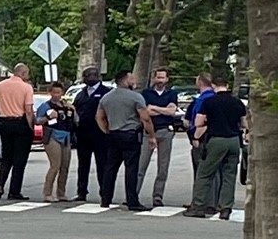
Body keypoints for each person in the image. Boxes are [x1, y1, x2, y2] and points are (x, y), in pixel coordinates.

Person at [185, 77, 246, 220]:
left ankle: (198, 206)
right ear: (227, 85)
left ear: (213, 86)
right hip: (233, 141)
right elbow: (244, 124)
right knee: (229, 175)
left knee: (205, 174)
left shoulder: (209, 101)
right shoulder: (237, 102)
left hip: (216, 139)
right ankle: (225, 208)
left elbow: (199, 122)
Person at [93, 71, 153, 211]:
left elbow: (99, 117)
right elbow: (145, 118)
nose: (134, 80)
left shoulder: (106, 98)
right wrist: (151, 135)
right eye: (132, 78)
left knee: (110, 168)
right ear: (126, 80)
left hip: (113, 134)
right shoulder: (135, 97)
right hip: (131, 134)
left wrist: (106, 130)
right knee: (131, 168)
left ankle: (105, 198)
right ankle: (132, 200)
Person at [133, 67, 184, 209]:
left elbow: (172, 111)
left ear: (167, 79)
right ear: (154, 78)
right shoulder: (146, 93)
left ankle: (157, 196)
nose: (160, 81)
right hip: (148, 132)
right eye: (158, 78)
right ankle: (133, 194)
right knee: (141, 165)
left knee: (163, 167)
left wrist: (156, 108)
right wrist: (162, 110)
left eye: (163, 78)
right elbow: (146, 112)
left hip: (165, 131)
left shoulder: (171, 93)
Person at [0, 61, 38, 200]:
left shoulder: (0, 86)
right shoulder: (26, 87)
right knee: (20, 159)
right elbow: (28, 110)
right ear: (22, 73)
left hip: (5, 123)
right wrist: (31, 126)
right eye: (27, 73)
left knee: (6, 156)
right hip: (20, 123)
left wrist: (3, 111)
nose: (27, 76)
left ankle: (0, 184)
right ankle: (14, 191)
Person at [72, 66, 110, 198]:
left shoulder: (106, 92)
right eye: (85, 76)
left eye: (88, 76)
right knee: (83, 164)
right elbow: (75, 110)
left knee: (102, 163)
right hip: (83, 134)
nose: (86, 79)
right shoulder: (81, 94)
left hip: (100, 133)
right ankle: (81, 191)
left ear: (96, 76)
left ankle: (104, 192)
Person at [37, 81, 77, 201]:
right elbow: (37, 121)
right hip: (52, 135)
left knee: (65, 166)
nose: (56, 95)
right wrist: (48, 117)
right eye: (54, 92)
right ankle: (47, 193)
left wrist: (73, 110)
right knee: (55, 165)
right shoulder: (46, 106)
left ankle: (61, 193)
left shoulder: (66, 106)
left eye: (59, 92)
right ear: (50, 93)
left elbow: (76, 120)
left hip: (66, 136)